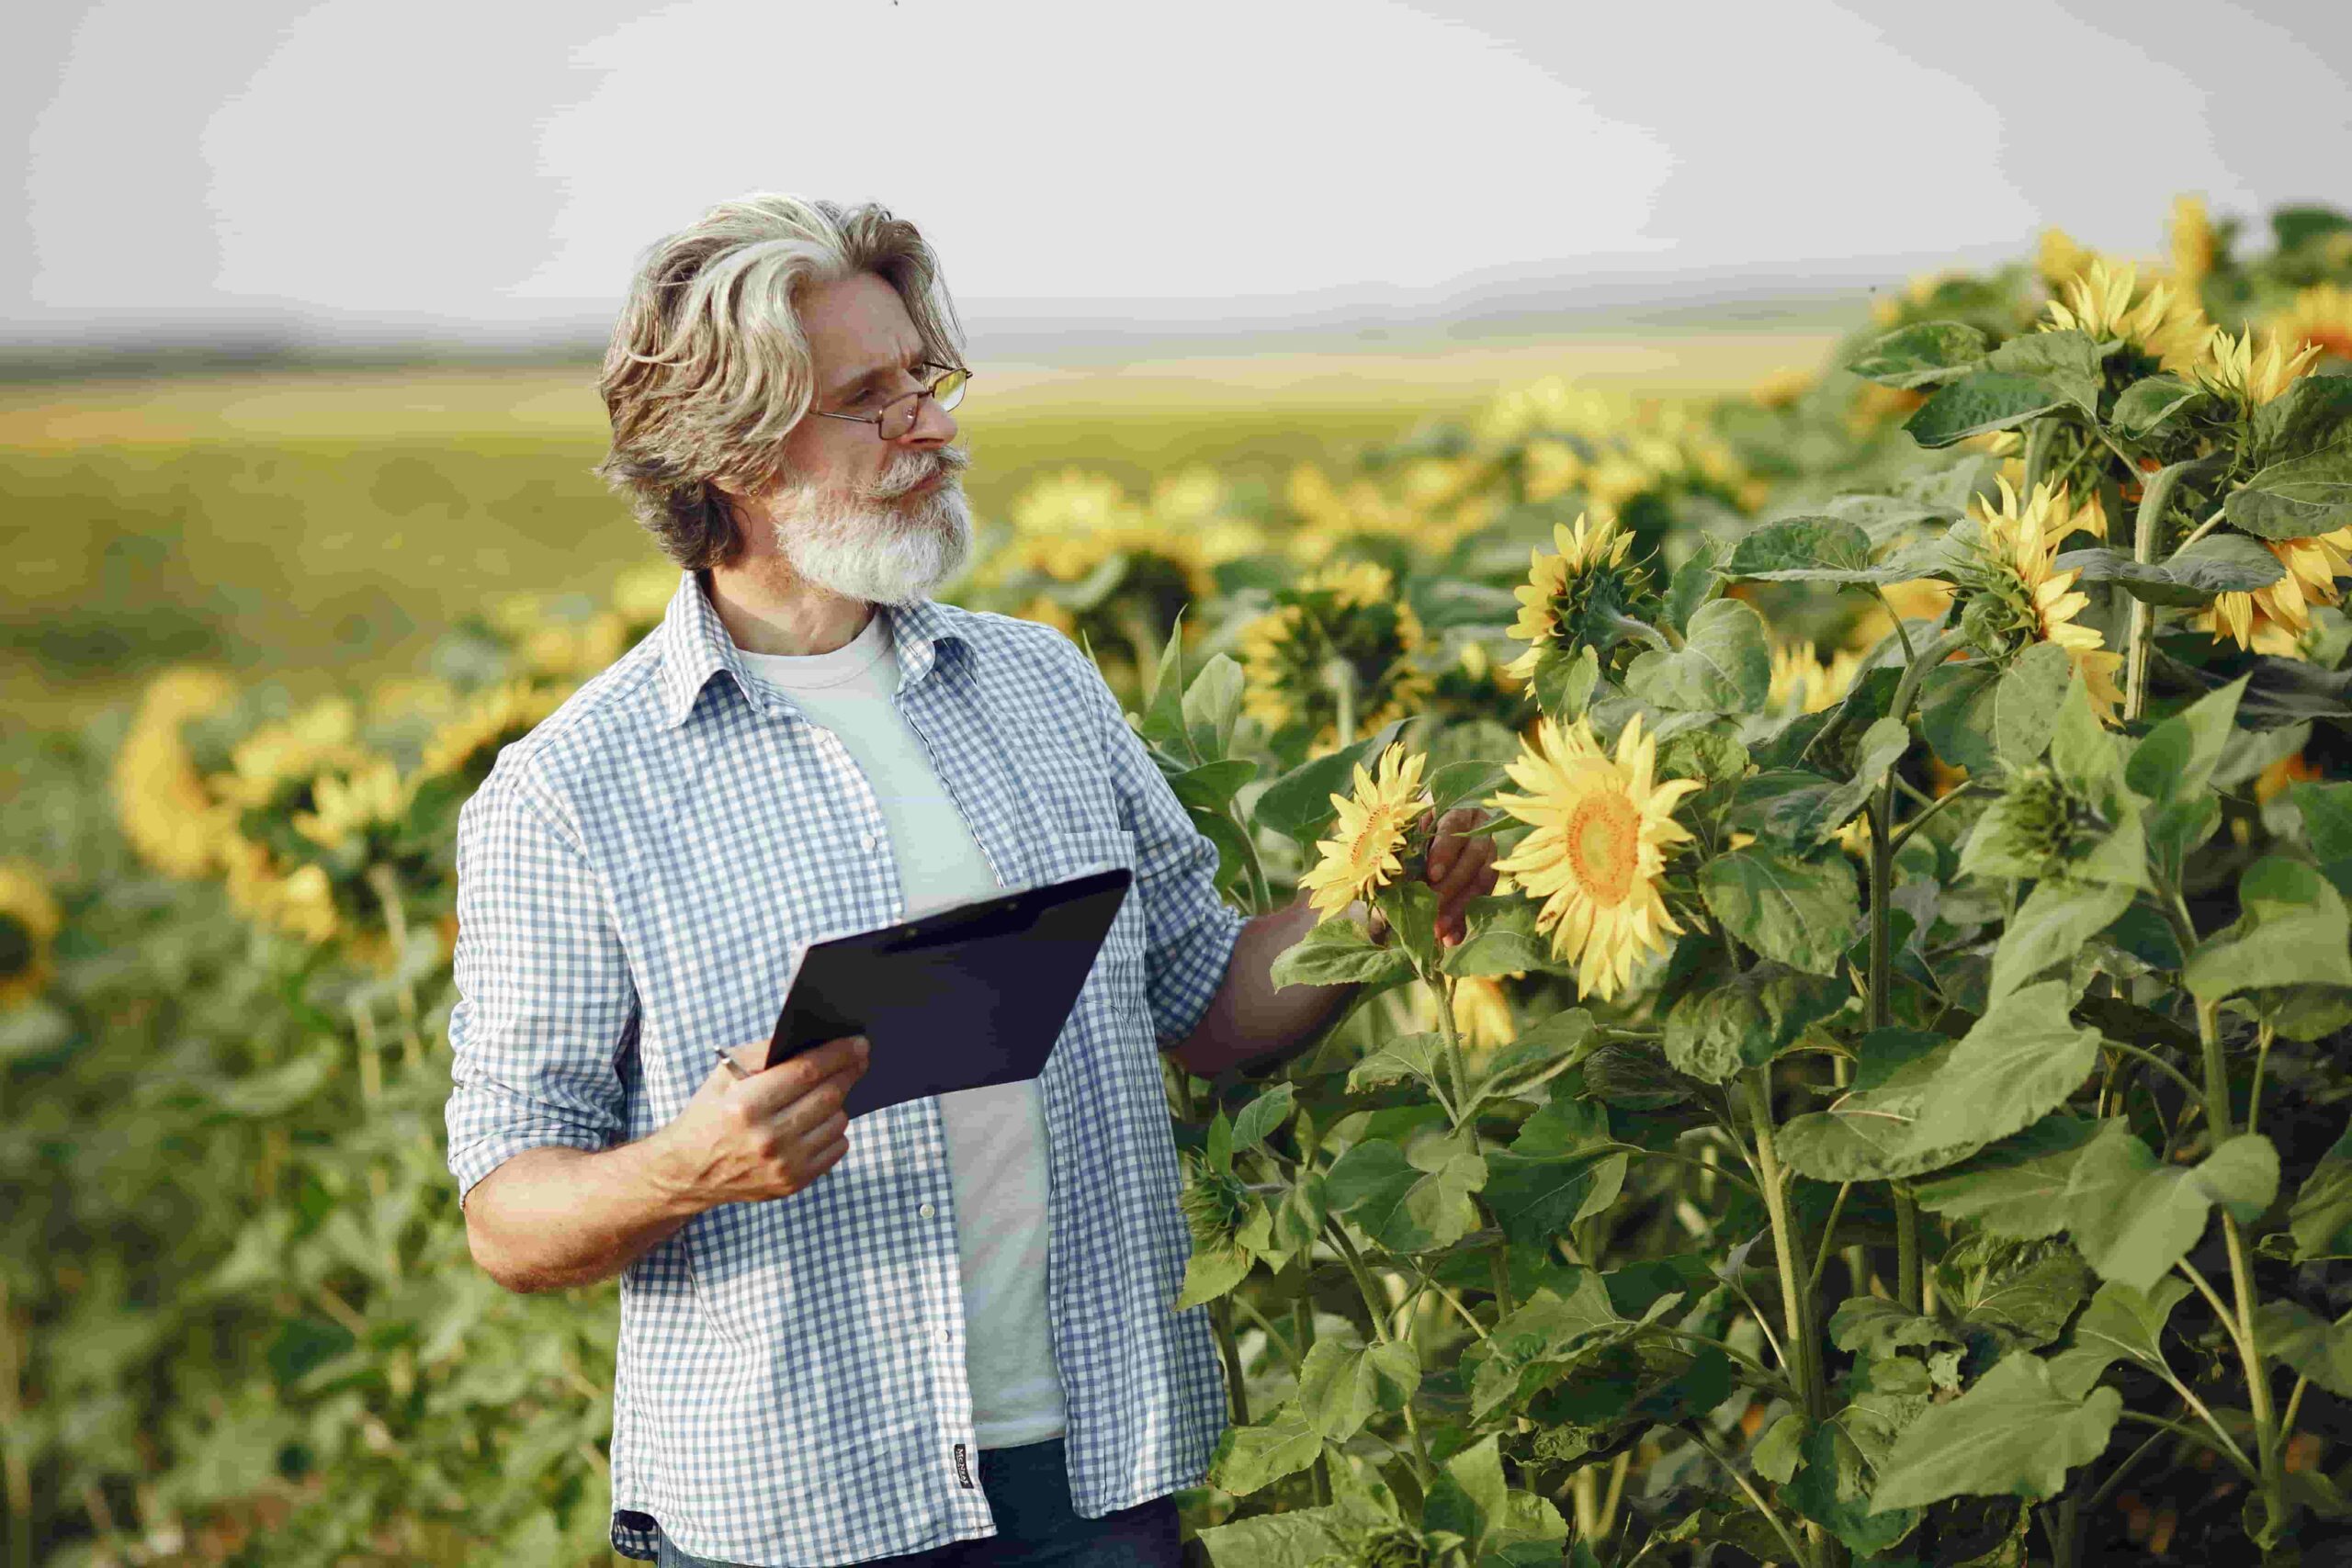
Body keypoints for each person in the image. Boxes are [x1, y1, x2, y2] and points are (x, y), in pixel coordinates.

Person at [443, 193, 1498, 1568]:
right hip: (797, 1502)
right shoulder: (572, 792)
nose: (931, 424)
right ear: (734, 452)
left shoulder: (1042, 685)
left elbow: (1209, 1004)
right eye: (868, 401)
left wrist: (1368, 915)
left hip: (1096, 1475)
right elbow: (509, 1217)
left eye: (924, 380)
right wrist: (687, 1169)